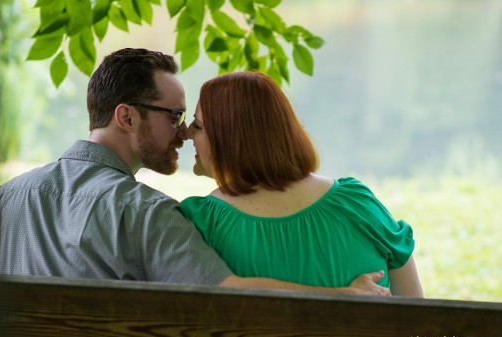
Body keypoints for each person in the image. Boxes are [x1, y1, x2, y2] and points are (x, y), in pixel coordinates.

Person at [0, 48, 389, 295]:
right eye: (174, 116)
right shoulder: (146, 212)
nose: (182, 133)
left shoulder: (7, 196)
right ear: (126, 117)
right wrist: (342, 294)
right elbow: (230, 291)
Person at [181, 71, 423, 297]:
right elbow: (419, 315)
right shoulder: (357, 203)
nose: (187, 133)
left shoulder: (200, 223)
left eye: (198, 125)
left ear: (232, 140)